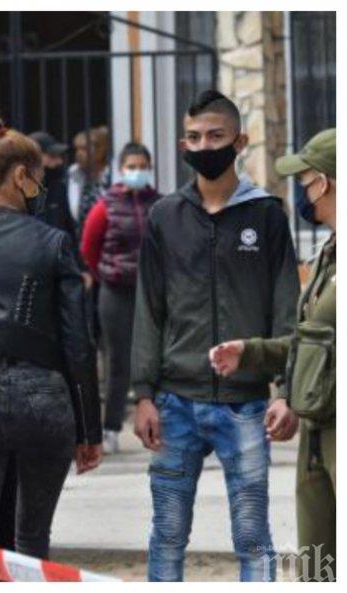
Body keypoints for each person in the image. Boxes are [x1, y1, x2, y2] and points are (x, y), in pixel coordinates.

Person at [131, 90, 299, 581]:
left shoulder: (267, 214)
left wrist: (285, 390)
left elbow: (286, 309)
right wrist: (143, 394)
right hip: (174, 402)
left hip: (245, 404)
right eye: (195, 137)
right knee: (166, 534)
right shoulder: (165, 215)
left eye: (216, 136)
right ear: (184, 143)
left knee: (252, 537)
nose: (204, 145)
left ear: (239, 141)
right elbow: (149, 308)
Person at [0, 116, 102, 560]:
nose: (43, 187)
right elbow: (79, 343)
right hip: (44, 402)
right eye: (40, 177)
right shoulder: (54, 242)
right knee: (32, 545)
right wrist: (89, 430)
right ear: (21, 176)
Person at [209, 128, 336, 582]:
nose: (301, 191)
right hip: (317, 432)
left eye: (305, 181)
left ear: (325, 181)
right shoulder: (328, 253)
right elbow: (310, 340)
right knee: (320, 568)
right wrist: (253, 355)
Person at [80, 142, 160, 454]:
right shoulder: (106, 205)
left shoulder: (159, 204)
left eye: (142, 166)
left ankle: (161, 419)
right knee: (117, 362)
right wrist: (106, 273)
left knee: (158, 355)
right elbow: (89, 247)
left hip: (151, 290)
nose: (137, 171)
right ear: (121, 169)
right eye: (131, 166)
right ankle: (111, 427)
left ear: (149, 168)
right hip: (116, 291)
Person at [28, 131, 77, 243]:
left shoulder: (58, 187)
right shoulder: (19, 193)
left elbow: (68, 228)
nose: (59, 162)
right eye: (52, 156)